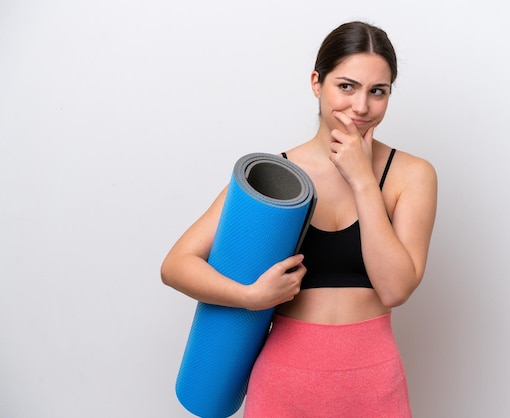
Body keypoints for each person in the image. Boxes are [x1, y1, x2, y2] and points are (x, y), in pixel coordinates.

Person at [161, 20, 437, 417]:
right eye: (346, 86)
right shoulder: (278, 176)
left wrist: (362, 180)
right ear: (316, 83)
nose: (361, 107)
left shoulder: (412, 175)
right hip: (284, 383)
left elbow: (395, 290)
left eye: (378, 91)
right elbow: (175, 266)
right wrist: (250, 297)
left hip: (373, 384)